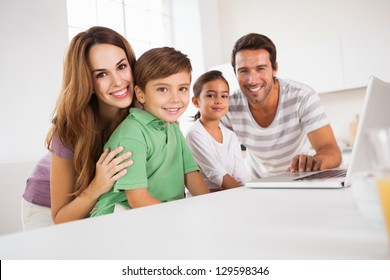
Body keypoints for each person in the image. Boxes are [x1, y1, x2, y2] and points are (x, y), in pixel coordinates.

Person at [22, 26, 137, 229]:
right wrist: (97, 186)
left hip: (98, 204)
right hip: (48, 207)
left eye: (121, 67)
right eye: (101, 74)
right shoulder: (69, 128)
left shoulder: (143, 109)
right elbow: (61, 217)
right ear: (87, 82)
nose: (118, 81)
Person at [91, 47, 210, 217]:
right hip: (120, 216)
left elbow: (190, 175)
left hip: (158, 212)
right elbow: (137, 199)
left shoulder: (173, 127)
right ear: (140, 94)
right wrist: (177, 217)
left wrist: (210, 207)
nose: (175, 99)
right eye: (162, 89)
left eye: (182, 89)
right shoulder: (132, 133)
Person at [222, 33, 342, 179]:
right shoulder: (228, 106)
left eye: (260, 68)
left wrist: (317, 160)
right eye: (244, 71)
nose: (252, 80)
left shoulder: (302, 97)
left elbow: (332, 153)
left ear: (275, 68)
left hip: (300, 179)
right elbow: (219, 156)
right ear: (235, 73)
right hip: (257, 184)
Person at [186, 70, 251, 192]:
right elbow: (216, 173)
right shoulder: (194, 134)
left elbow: (241, 174)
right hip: (206, 200)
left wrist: (255, 191)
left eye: (224, 96)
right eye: (211, 95)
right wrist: (245, 196)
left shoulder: (230, 135)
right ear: (196, 102)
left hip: (230, 195)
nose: (218, 100)